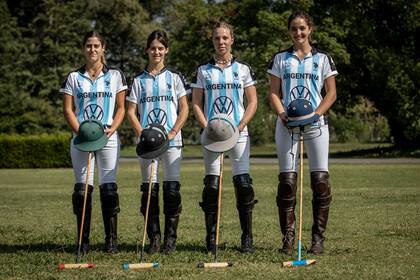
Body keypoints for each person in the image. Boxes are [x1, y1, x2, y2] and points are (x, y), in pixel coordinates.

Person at [267, 10, 338, 255]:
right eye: (294, 29)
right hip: (287, 124)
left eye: (302, 28)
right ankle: (288, 239)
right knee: (287, 182)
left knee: (320, 181)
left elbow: (331, 93)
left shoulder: (323, 58)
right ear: (289, 31)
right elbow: (274, 93)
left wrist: (316, 114)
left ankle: (317, 239)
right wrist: (282, 113)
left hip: (316, 126)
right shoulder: (280, 59)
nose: (298, 33)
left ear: (310, 29)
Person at [191, 21, 258, 253]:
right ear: (213, 40)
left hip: (238, 133)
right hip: (212, 135)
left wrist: (240, 126)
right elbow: (196, 104)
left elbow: (253, 102)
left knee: (243, 183)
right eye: (217, 38)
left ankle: (247, 237)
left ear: (232, 40)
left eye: (225, 38)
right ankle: (211, 238)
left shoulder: (243, 69)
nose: (221, 42)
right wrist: (207, 126)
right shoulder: (203, 71)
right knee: (211, 185)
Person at [60, 31, 127, 254]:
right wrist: (82, 131)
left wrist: (113, 128)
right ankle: (83, 240)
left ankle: (111, 241)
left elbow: (121, 108)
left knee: (108, 189)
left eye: (96, 45)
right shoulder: (73, 77)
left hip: (107, 137)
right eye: (88, 45)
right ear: (84, 48)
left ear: (103, 48)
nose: (92, 50)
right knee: (82, 191)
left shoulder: (115, 75)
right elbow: (68, 109)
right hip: (81, 139)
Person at [126, 29, 189, 254]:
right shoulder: (138, 80)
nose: (156, 52)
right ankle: (154, 238)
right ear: (147, 50)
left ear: (166, 50)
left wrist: (172, 133)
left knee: (171, 190)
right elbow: (131, 111)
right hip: (148, 144)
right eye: (153, 48)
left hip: (172, 141)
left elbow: (184, 108)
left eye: (160, 48)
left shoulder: (175, 78)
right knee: (149, 191)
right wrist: (142, 132)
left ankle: (170, 240)